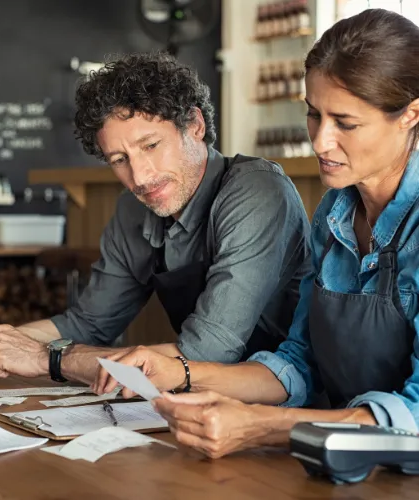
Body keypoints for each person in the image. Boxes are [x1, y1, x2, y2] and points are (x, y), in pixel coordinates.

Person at [92, 9, 419, 458]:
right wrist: (177, 373)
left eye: (345, 123)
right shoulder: (333, 214)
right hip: (345, 459)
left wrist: (266, 425)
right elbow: (299, 362)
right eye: (313, 114)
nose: (320, 141)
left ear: (410, 115)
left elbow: (415, 416)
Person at [0, 53, 311, 382]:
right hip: (202, 402)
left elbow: (208, 352)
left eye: (151, 145)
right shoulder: (133, 207)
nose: (139, 177)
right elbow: (89, 322)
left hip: (287, 403)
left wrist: (47, 359)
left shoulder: (256, 192)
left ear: (194, 125)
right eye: (119, 160)